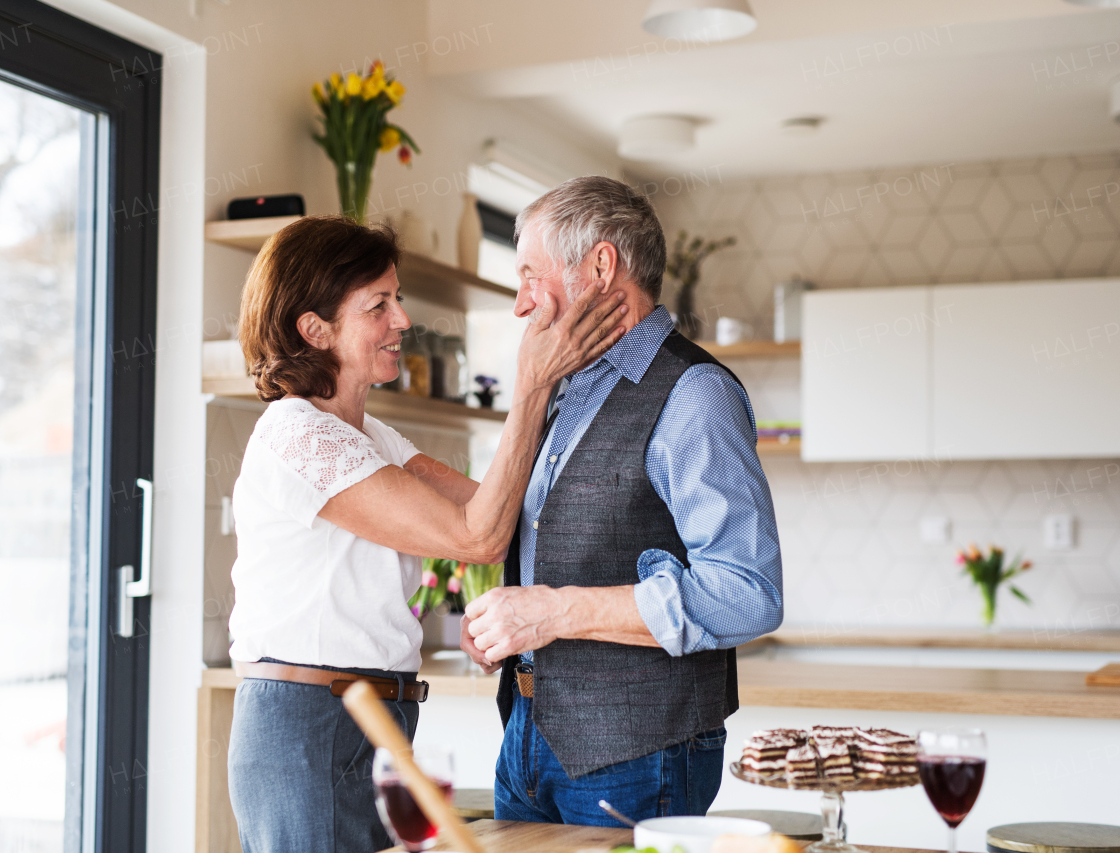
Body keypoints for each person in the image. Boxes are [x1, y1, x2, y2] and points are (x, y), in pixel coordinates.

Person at [225, 215, 628, 853]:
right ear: (314, 327)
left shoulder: (373, 437)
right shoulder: (298, 433)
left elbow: (505, 512)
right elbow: (477, 537)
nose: (402, 321)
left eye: (398, 299)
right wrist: (531, 381)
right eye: (377, 305)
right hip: (313, 725)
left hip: (369, 717)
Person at [460, 176, 784, 825]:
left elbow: (749, 591)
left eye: (530, 274)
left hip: (640, 753)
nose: (522, 304)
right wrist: (508, 626)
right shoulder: (555, 391)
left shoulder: (695, 395)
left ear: (601, 267)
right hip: (524, 736)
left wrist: (552, 613)